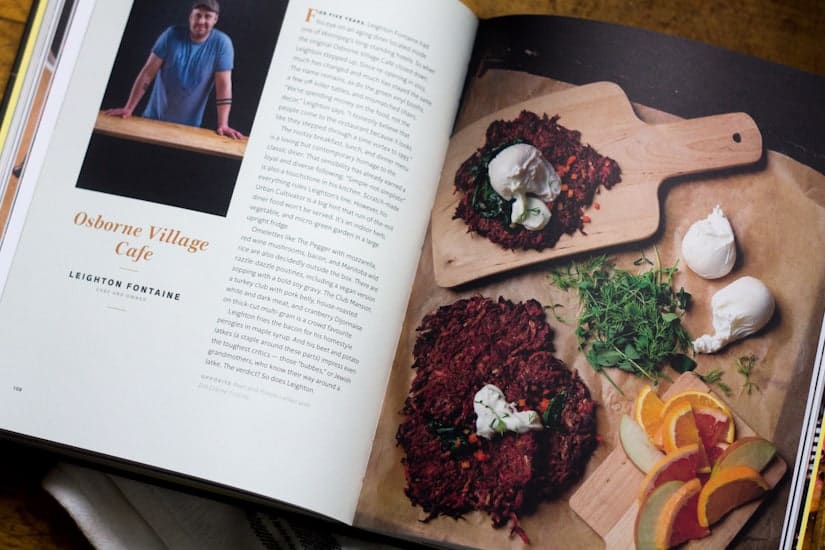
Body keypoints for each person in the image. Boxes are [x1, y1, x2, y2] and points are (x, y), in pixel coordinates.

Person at [104, 0, 243, 139]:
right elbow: (147, 73)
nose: (201, 20)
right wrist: (129, 108)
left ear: (215, 19)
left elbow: (223, 86)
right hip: (152, 119)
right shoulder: (171, 35)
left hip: (188, 129)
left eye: (207, 16)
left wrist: (223, 124)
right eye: (198, 15)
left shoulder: (222, 44)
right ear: (190, 17)